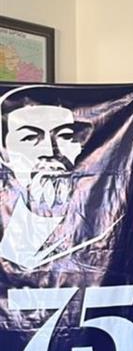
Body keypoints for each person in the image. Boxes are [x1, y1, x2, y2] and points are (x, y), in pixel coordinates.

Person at [0, 88, 106, 270]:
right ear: (5, 154)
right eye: (29, 137)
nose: (50, 151)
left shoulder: (107, 212)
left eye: (64, 136)